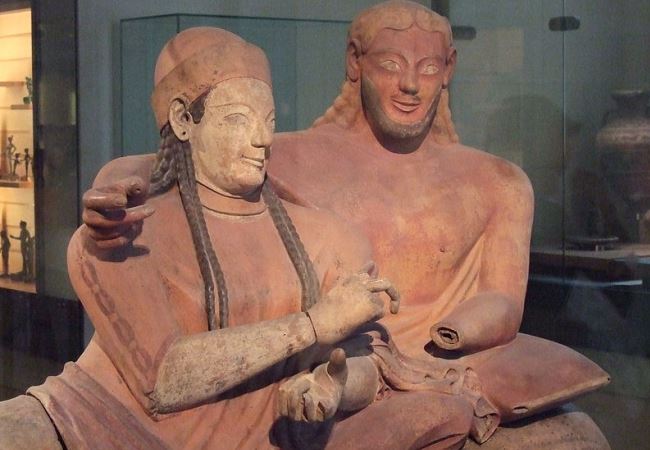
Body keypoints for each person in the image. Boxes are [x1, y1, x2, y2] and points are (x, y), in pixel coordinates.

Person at [79, 2, 611, 448]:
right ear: (355, 62)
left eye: (427, 68)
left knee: (577, 436)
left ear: (449, 68)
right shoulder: (288, 157)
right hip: (331, 368)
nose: (409, 85)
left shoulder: (500, 182)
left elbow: (503, 297)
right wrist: (118, 180)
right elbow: (186, 161)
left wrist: (453, 334)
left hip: (425, 367)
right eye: (390, 64)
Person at [0, 27, 501, 450]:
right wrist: (311, 325)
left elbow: (369, 357)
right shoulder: (128, 230)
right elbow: (162, 380)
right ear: (183, 121)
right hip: (94, 425)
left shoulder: (326, 237)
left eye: (269, 121)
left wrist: (334, 388)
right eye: (237, 120)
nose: (262, 139)